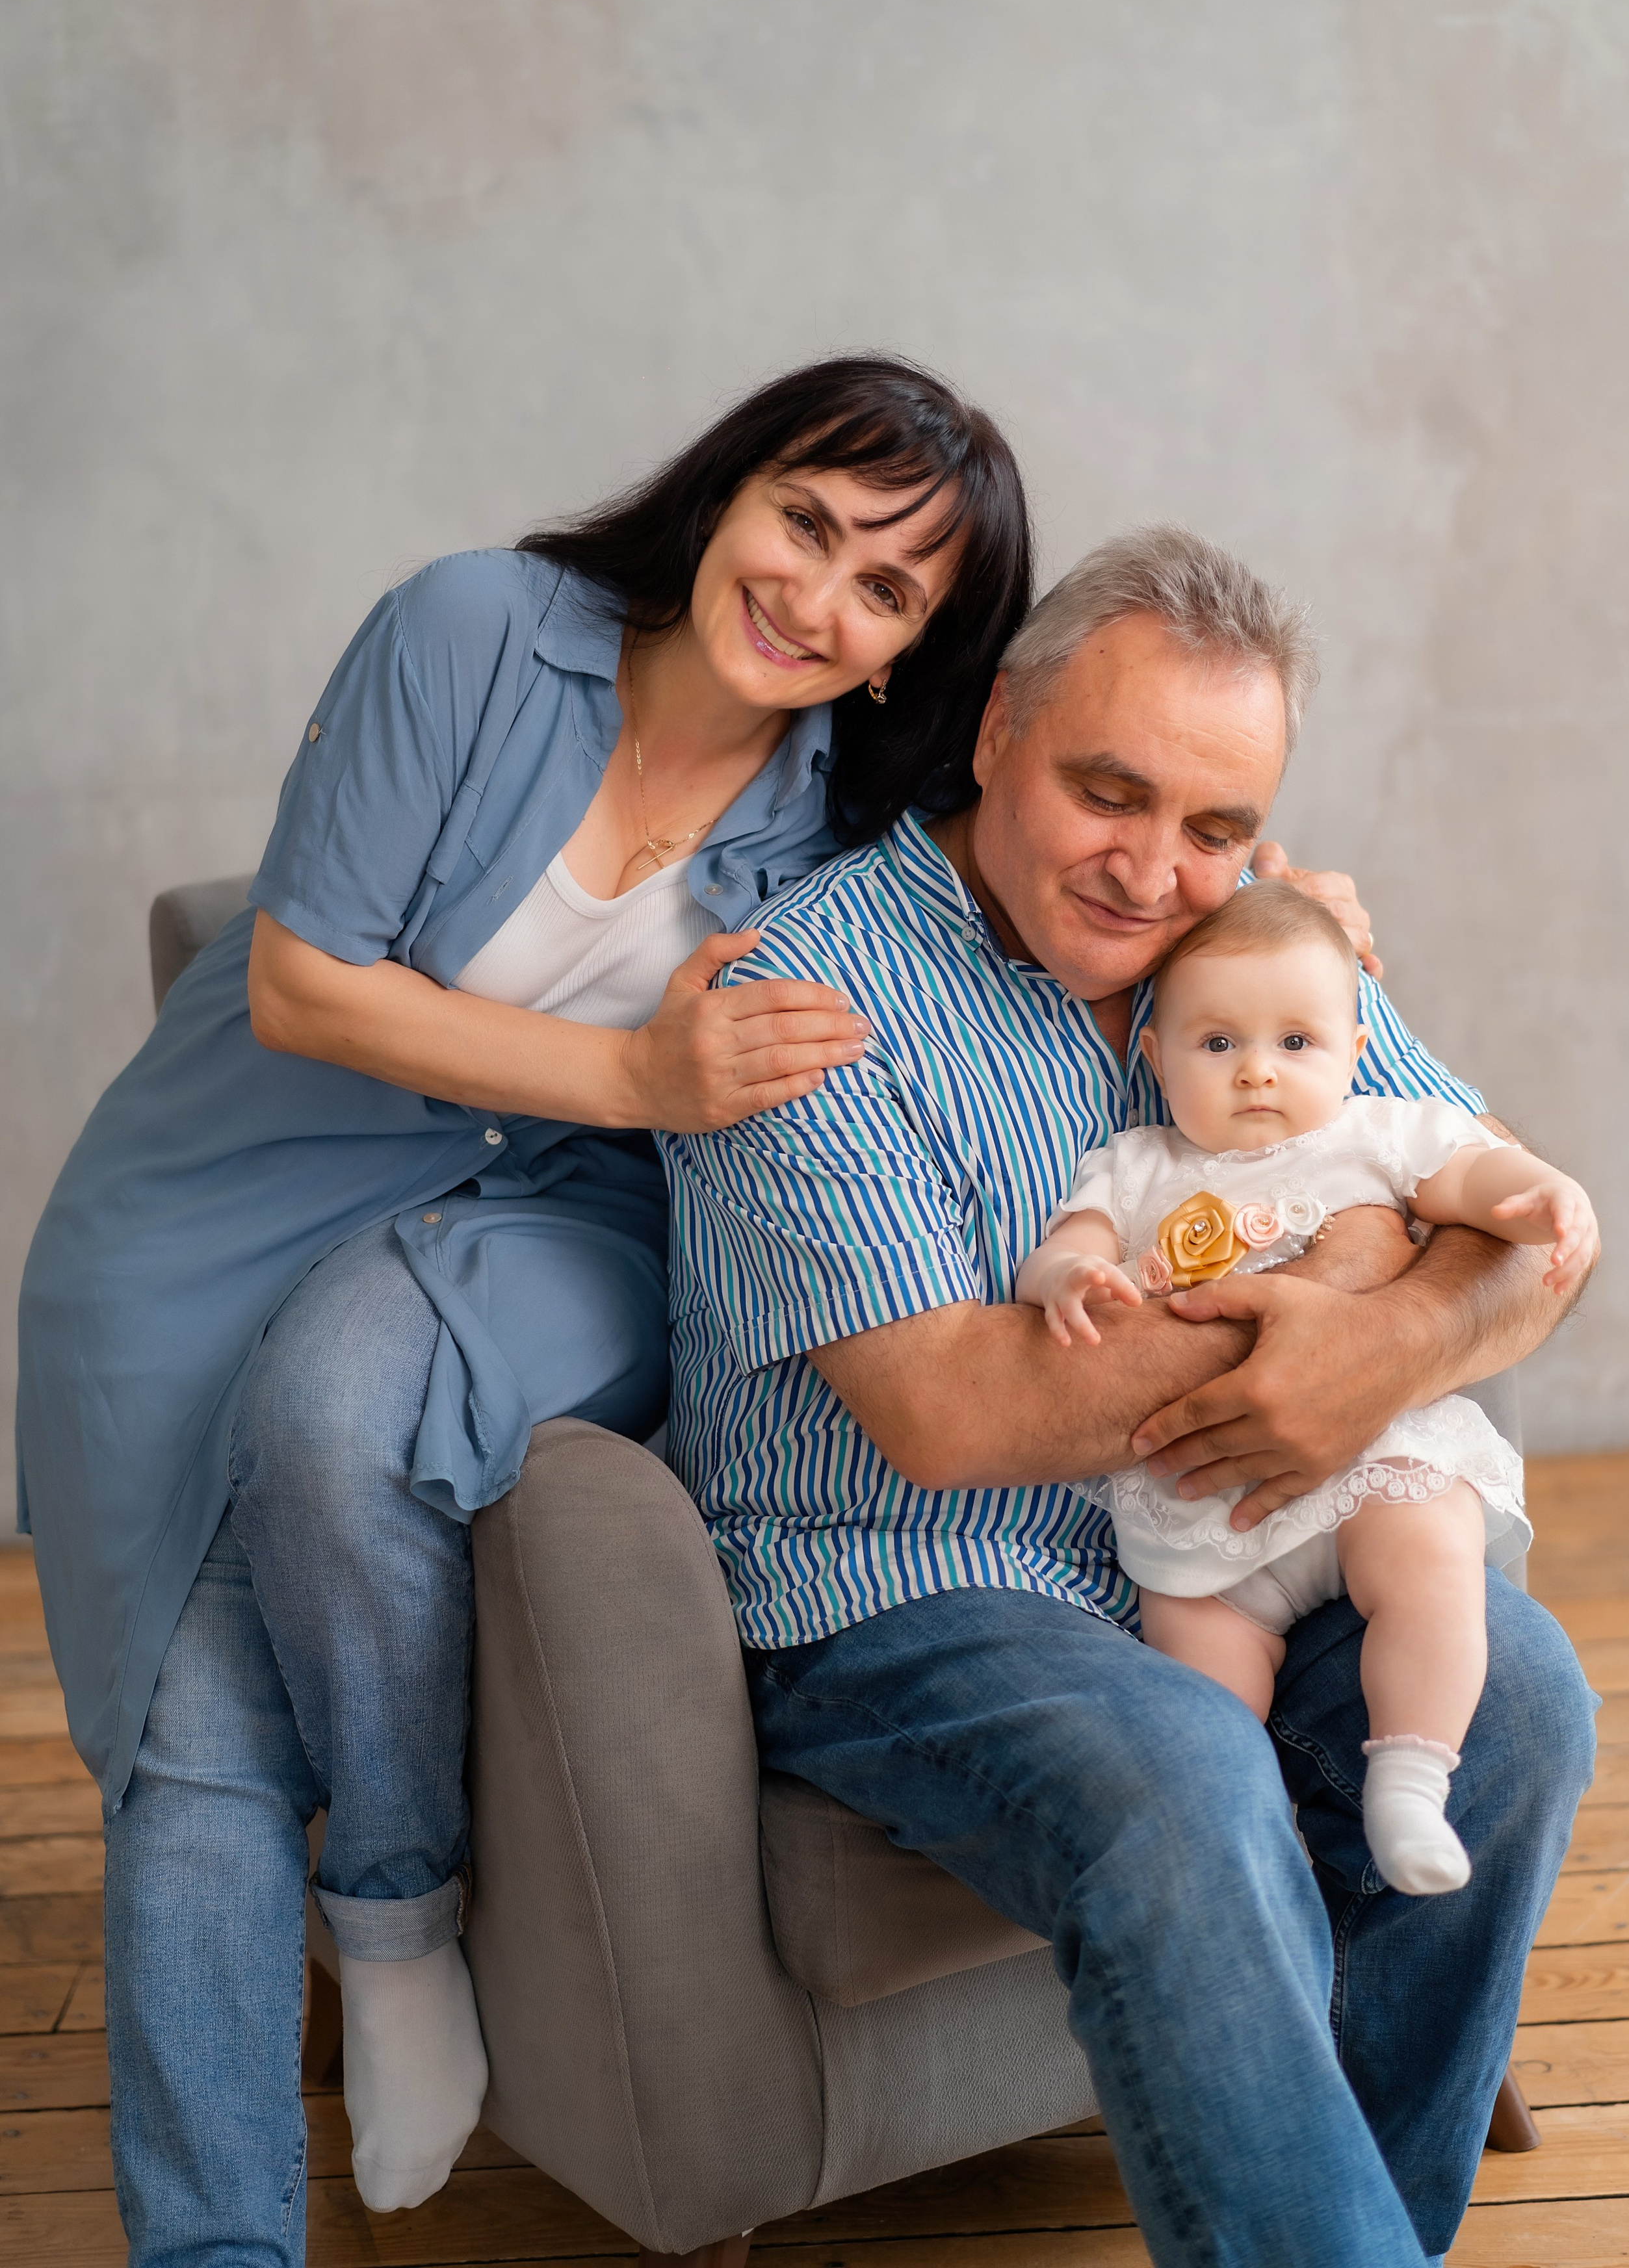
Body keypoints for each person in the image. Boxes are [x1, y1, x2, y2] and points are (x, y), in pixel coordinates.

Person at [17, 355, 1035, 2260]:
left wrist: (1282, 903)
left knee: (338, 1414)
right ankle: (261, 2169)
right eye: (806, 523)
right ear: (729, 490)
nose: (819, 599)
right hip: (232, 1181)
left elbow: (1092, 833)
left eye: (887, 590)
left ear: (914, 649)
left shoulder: (851, 826)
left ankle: (399, 1901)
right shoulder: (475, 626)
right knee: (196, 1732)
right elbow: (307, 988)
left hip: (560, 1220)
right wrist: (651, 1072)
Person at [660, 526, 1596, 2268]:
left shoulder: (1260, 954)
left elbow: (1530, 1223)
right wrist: (1335, 1321)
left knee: (1526, 1700)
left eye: (1216, 827)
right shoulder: (807, 991)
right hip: (902, 1589)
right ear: (1000, 728)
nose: (1157, 871)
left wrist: (1382, 1349)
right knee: (1184, 1775)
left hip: (1215, 1556)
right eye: (1113, 791)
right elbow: (953, 1412)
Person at [1017, 878, 1597, 1893]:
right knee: (1197, 1671)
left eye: (1295, 1044)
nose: (1256, 1074)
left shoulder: (1374, 1131)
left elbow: (1469, 1180)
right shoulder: (1138, 1162)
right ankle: (1247, 1842)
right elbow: (1074, 1239)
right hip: (1210, 1505)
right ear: (1153, 1058)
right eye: (1217, 1044)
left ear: (1352, 1053)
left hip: (1369, 1461)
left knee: (1430, 1565)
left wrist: (1544, 1194)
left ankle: (1412, 1778)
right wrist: (1073, 1277)